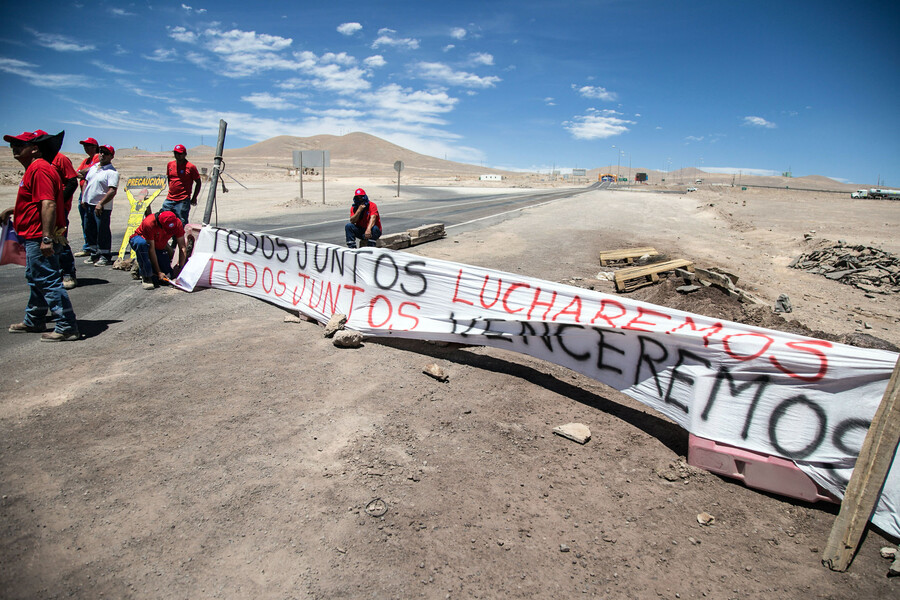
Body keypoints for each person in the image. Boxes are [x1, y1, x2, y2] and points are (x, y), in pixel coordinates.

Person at [0, 129, 79, 341]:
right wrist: (15, 210)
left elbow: (49, 203)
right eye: (12, 144)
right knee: (36, 278)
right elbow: (39, 202)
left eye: (20, 144)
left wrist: (46, 238)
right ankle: (34, 319)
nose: (14, 148)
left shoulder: (39, 169)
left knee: (47, 280)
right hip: (34, 235)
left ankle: (66, 326)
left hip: (39, 236)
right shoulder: (35, 169)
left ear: (35, 148)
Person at [129, 209, 187, 290]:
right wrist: (159, 272)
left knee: (167, 276)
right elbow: (151, 250)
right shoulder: (149, 223)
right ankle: (146, 276)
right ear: (160, 224)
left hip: (159, 245)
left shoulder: (177, 223)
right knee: (142, 244)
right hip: (143, 241)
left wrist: (180, 268)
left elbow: (182, 247)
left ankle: (141, 263)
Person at [82, 145, 118, 266]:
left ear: (111, 156)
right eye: (101, 152)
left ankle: (105, 256)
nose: (102, 154)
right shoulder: (93, 168)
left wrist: (101, 203)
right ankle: (94, 254)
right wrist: (83, 198)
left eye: (106, 153)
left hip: (102, 207)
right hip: (88, 205)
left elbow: (112, 190)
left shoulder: (112, 172)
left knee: (102, 231)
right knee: (89, 229)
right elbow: (86, 182)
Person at [73, 137, 100, 258]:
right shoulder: (86, 160)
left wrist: (83, 172)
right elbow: (77, 173)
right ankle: (89, 245)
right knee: (85, 222)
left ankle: (93, 246)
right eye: (84, 146)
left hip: (92, 195)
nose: (86, 148)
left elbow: (89, 171)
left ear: (95, 147)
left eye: (88, 146)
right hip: (83, 194)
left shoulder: (97, 157)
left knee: (90, 222)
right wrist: (83, 172)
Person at [162, 144, 201, 225]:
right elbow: (170, 179)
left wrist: (194, 198)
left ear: (185, 154)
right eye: (175, 153)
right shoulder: (170, 164)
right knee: (165, 220)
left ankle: (181, 237)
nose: (177, 156)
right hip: (169, 199)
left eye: (180, 154)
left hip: (183, 200)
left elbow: (198, 182)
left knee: (181, 223)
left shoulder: (190, 167)